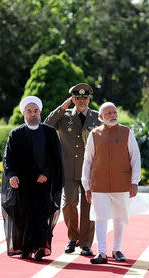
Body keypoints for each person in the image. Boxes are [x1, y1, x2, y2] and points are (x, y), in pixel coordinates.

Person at [1, 96, 64, 261]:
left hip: (43, 184)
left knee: (41, 216)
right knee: (23, 216)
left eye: (36, 111)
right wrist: (12, 175)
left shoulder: (49, 132)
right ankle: (26, 248)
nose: (33, 114)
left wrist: (47, 174)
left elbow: (55, 158)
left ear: (40, 112)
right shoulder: (16, 134)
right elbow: (9, 158)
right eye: (29, 111)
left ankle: (41, 247)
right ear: (24, 113)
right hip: (22, 184)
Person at [81, 102, 141, 264]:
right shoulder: (94, 134)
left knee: (119, 218)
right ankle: (101, 252)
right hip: (99, 184)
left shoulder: (126, 132)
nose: (112, 115)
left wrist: (135, 181)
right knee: (101, 218)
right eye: (108, 113)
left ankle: (116, 249)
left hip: (122, 183)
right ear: (101, 117)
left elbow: (135, 158)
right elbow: (87, 161)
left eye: (114, 112)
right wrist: (87, 186)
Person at [45, 83, 99, 256]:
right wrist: (62, 108)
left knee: (88, 205)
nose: (81, 101)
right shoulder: (64, 116)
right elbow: (47, 125)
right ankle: (72, 238)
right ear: (73, 99)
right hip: (68, 169)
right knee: (69, 203)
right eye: (77, 98)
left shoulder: (97, 117)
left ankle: (86, 243)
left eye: (85, 98)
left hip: (90, 170)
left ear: (89, 99)